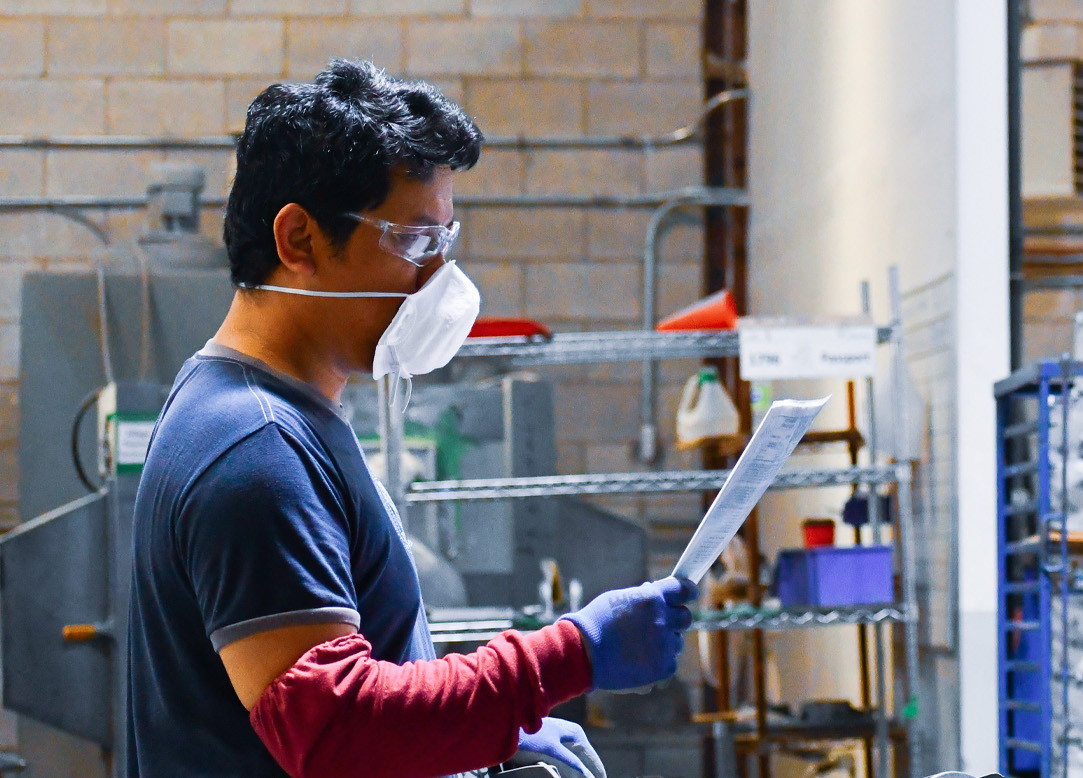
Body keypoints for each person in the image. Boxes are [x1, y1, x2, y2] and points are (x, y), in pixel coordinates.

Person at [125, 59, 693, 778]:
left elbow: (359, 692)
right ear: (298, 239)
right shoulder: (252, 447)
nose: (439, 284)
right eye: (413, 243)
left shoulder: (281, 414)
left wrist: (487, 733)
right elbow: (334, 725)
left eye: (444, 244)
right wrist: (566, 655)